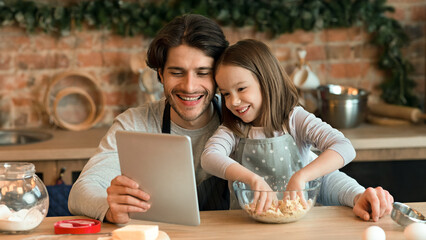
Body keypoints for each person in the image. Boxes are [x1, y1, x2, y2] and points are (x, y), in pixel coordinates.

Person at [68, 14, 393, 224]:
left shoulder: (243, 118)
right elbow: (82, 191)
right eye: (176, 73)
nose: (190, 86)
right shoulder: (135, 125)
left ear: (219, 75)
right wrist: (111, 208)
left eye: (203, 73)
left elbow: (301, 175)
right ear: (160, 75)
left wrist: (357, 195)